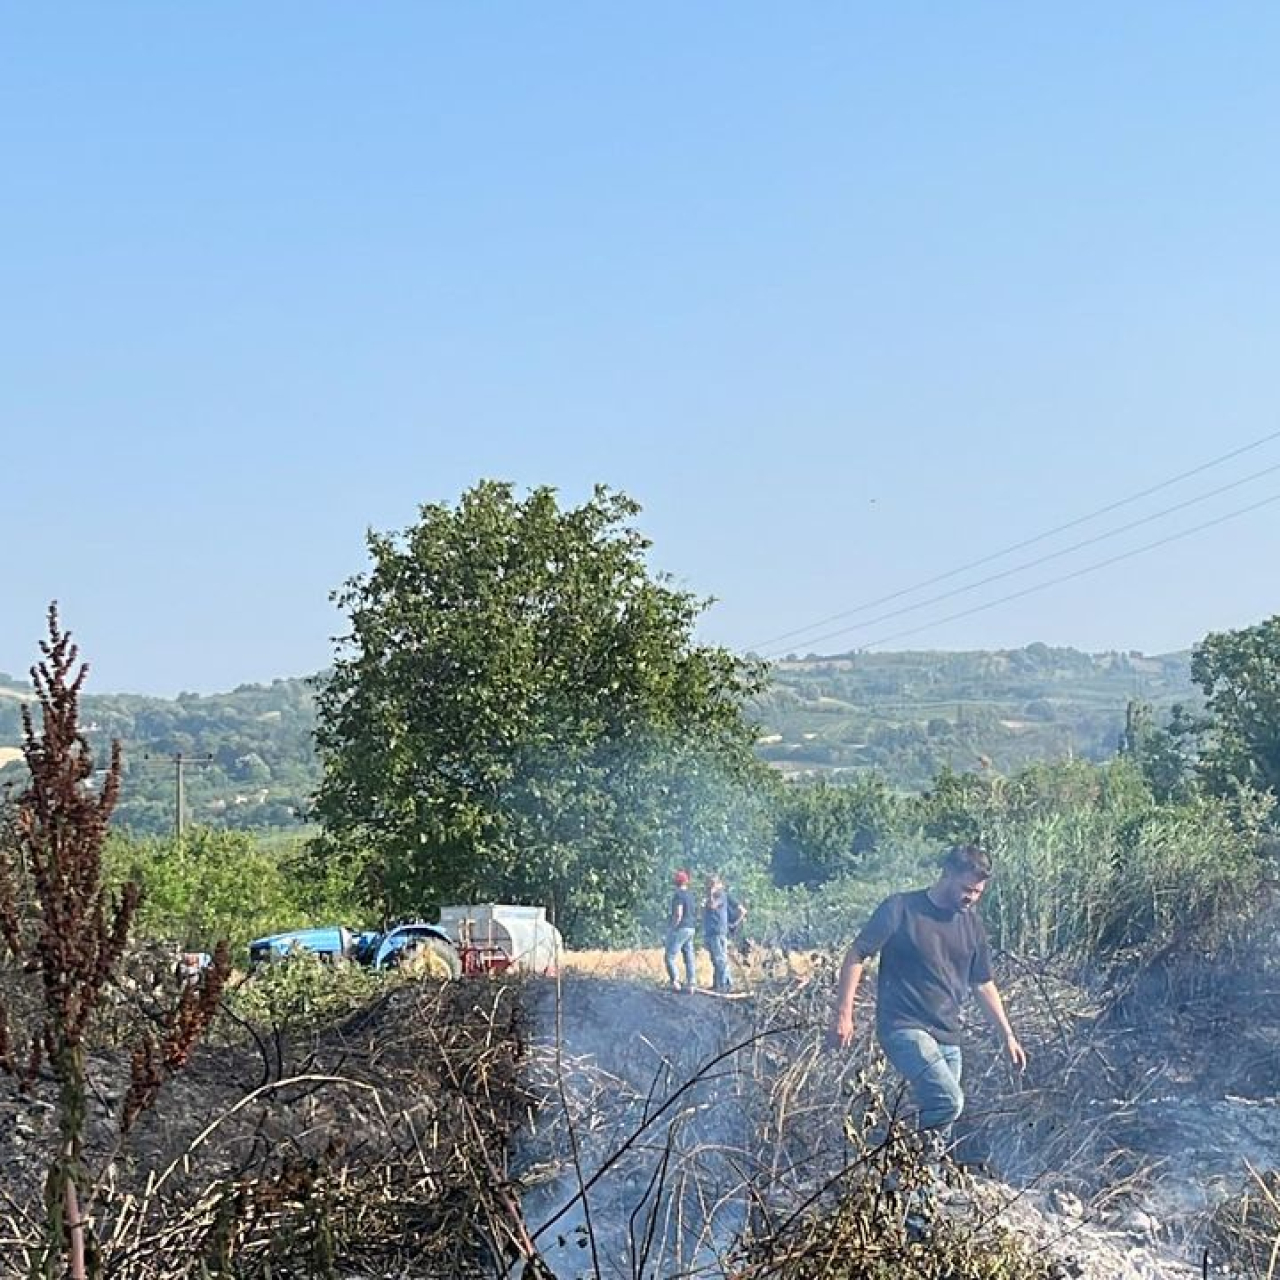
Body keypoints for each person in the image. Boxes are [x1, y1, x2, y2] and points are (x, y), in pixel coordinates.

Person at [827, 844, 1026, 1148]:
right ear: (946, 875)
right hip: (903, 1026)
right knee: (949, 1101)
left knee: (938, 1128)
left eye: (977, 892)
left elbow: (983, 984)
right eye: (966, 889)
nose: (971, 898)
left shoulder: (972, 924)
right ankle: (893, 1158)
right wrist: (844, 1014)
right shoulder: (901, 908)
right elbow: (857, 954)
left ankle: (914, 1174)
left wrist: (1007, 1035)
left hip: (948, 1035)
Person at [702, 874, 747, 993]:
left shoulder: (720, 895)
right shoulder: (720, 896)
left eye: (710, 884)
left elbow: (712, 906)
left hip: (717, 931)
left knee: (720, 959)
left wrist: (734, 924)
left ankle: (724, 984)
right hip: (712, 931)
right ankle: (719, 983)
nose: (707, 886)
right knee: (716, 958)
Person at [663, 869, 697, 992]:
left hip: (681, 928)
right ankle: (691, 983)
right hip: (691, 928)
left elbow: (678, 913)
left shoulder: (678, 895)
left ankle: (675, 981)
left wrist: (672, 928)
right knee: (689, 957)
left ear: (676, 882)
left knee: (669, 956)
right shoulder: (691, 895)